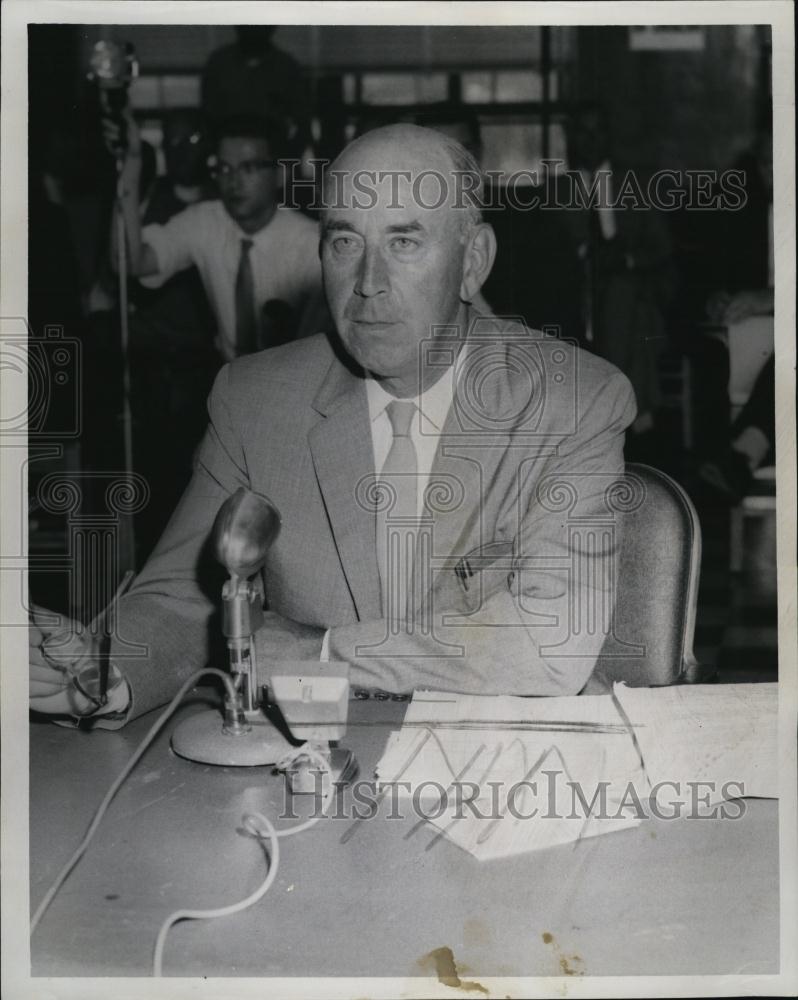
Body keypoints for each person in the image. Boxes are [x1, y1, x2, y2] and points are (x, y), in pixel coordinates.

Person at [29, 124, 636, 728]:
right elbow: (184, 598)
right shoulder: (254, 400)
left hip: (503, 775)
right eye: (345, 242)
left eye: (404, 242)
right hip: (304, 771)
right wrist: (105, 671)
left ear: (472, 262)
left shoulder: (572, 400)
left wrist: (312, 654)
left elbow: (549, 643)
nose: (368, 283)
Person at [107, 110, 327, 362]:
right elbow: (130, 262)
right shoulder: (205, 221)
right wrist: (131, 161)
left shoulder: (312, 245)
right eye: (224, 168)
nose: (233, 181)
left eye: (248, 167)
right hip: (229, 378)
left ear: (280, 175)